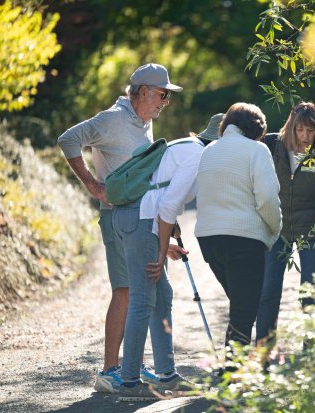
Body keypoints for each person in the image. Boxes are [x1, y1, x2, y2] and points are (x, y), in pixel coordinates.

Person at [57, 63, 182, 393]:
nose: (165, 102)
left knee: (147, 292)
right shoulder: (112, 119)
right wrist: (92, 185)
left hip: (143, 218)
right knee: (126, 291)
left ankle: (132, 365)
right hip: (117, 217)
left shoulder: (144, 122)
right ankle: (110, 371)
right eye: (162, 95)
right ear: (142, 92)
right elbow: (68, 140)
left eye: (167, 96)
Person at [111, 113, 224, 399]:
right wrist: (161, 252)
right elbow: (167, 205)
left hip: (133, 218)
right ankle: (128, 382)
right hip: (141, 220)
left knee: (162, 296)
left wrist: (165, 239)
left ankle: (167, 375)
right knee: (142, 299)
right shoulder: (199, 156)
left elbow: (162, 192)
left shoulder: (185, 145)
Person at [195, 103, 281, 355]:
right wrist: (275, 230)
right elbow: (266, 197)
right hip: (243, 239)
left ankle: (234, 370)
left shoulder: (209, 150)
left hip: (209, 240)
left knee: (240, 305)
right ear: (257, 129)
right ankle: (232, 375)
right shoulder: (257, 150)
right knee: (244, 310)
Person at [255, 101, 315, 346]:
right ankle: (263, 348)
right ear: (291, 127)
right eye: (300, 130)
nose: (305, 136)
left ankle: (312, 350)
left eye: (311, 131)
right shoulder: (270, 145)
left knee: (311, 290)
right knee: (268, 290)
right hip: (276, 226)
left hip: (312, 227)